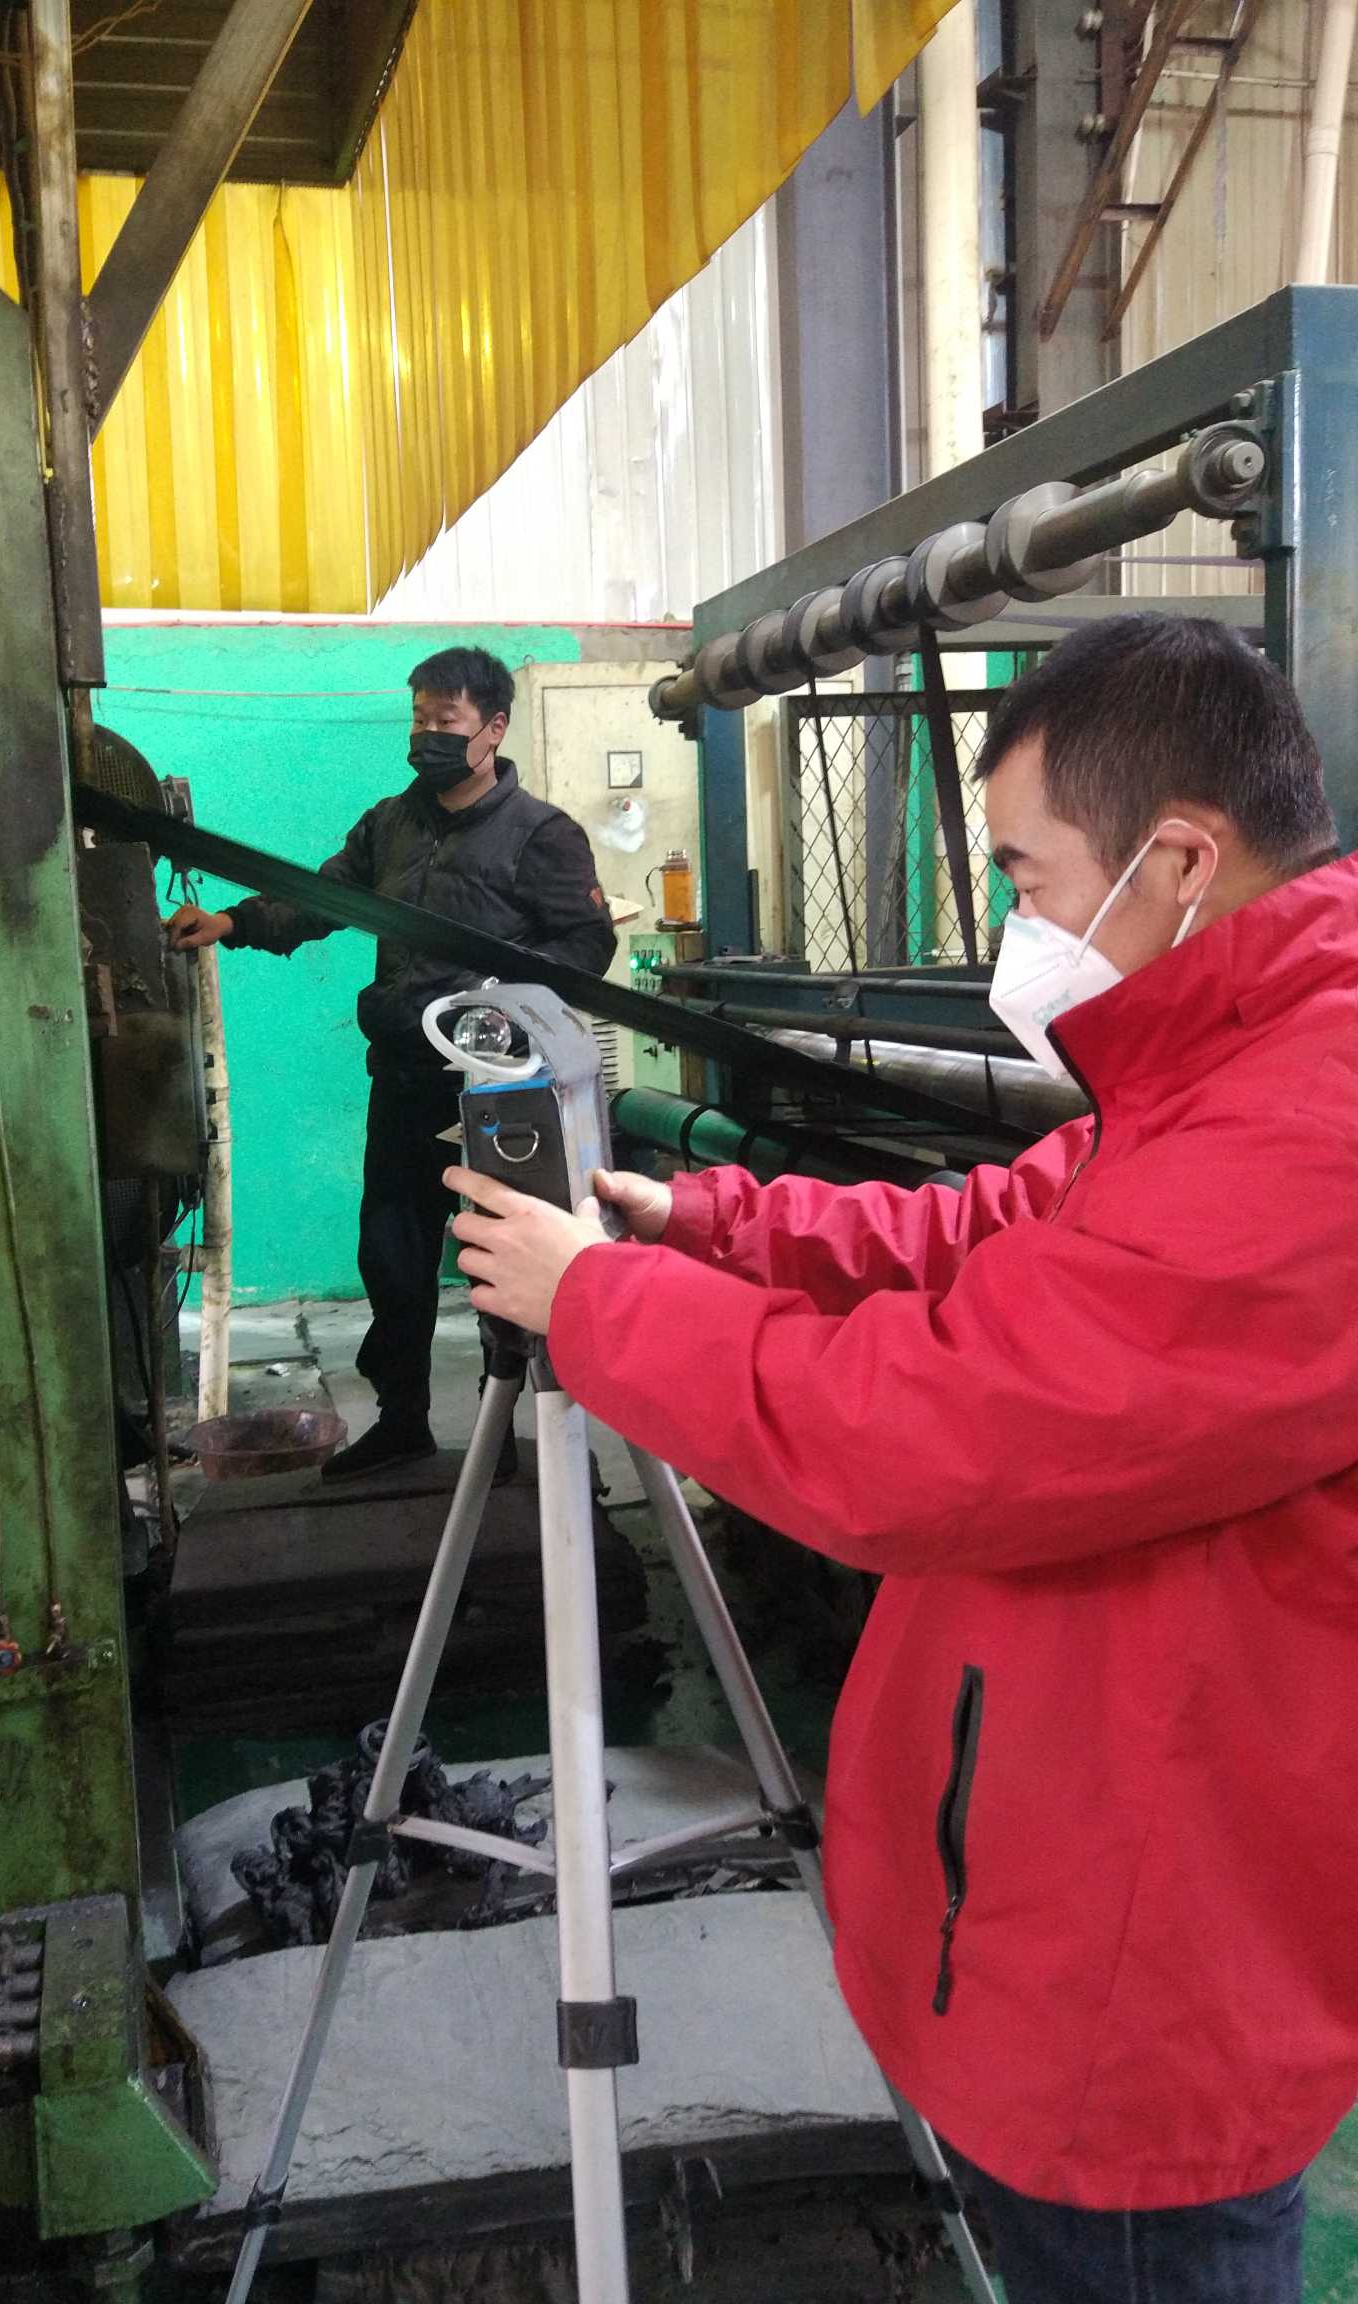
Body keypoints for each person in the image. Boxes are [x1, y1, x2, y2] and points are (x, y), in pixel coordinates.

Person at [443, 615, 1358, 2304]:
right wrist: (708, 1220)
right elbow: (1007, 1227)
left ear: (1176, 860)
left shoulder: (1313, 1128)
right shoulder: (1231, 1057)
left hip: (1155, 1965)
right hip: (1088, 1864)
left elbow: (931, 1431)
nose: (1016, 926)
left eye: (1022, 875)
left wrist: (599, 1304)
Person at [169, 645, 615, 1481]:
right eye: (419, 719)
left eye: (446, 720)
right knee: (392, 1253)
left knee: (502, 1255)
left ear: (493, 728)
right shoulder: (391, 823)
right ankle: (402, 1419)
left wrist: (492, 1007)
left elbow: (586, 946)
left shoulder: (540, 835)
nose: (427, 736)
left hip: (498, 1092)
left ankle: (509, 1431)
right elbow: (323, 895)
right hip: (405, 1080)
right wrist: (231, 923)